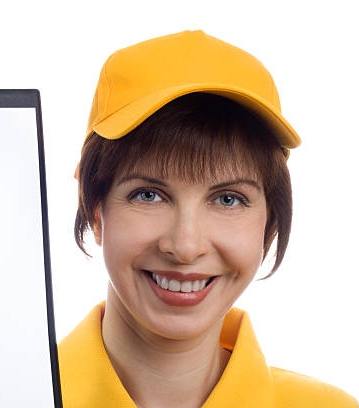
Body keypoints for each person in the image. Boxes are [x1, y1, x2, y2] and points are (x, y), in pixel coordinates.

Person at [57, 30, 358, 408]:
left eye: (228, 199)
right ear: (95, 211)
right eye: (148, 195)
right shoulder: (0, 394)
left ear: (269, 222)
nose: (185, 247)